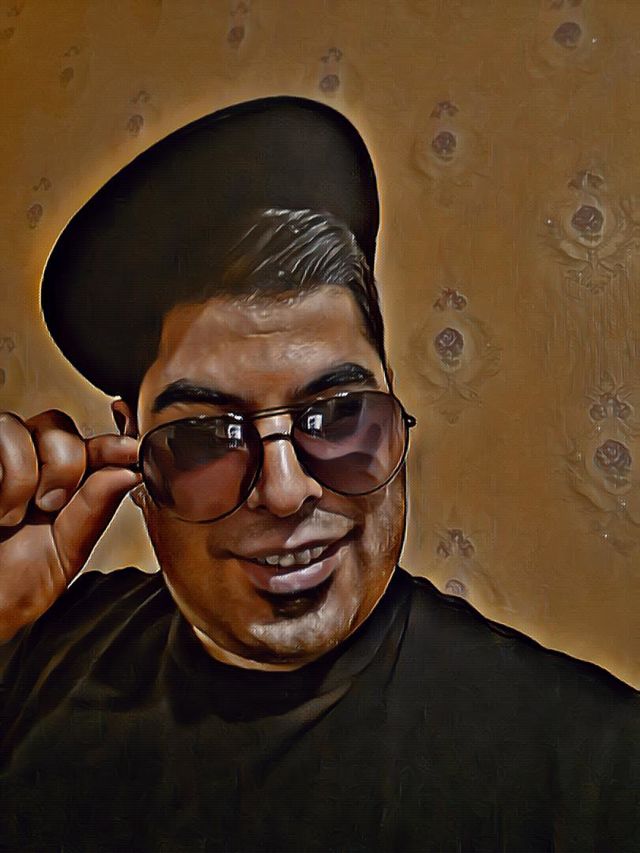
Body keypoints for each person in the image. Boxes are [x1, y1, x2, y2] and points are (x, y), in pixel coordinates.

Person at [0, 96, 638, 853]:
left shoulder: (596, 767)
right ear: (132, 451)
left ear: (393, 400)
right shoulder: (41, 652)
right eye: (206, 435)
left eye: (337, 415)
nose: (284, 490)